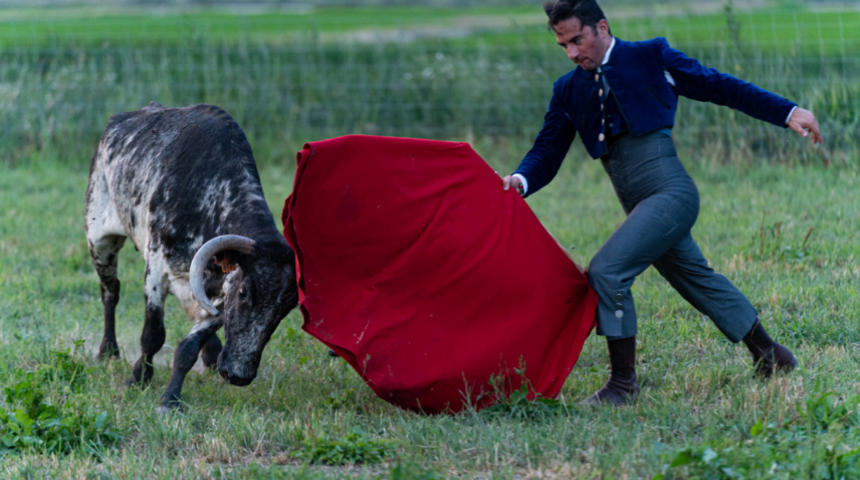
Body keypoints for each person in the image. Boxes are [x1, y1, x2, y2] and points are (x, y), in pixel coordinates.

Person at [501, 0, 823, 406]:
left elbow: (719, 85)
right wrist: (521, 179)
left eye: (577, 40)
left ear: (601, 27)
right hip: (638, 205)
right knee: (695, 278)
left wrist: (787, 111)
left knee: (607, 271)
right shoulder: (568, 89)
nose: (572, 52)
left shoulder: (650, 56)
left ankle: (622, 385)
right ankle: (771, 355)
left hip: (670, 194)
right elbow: (547, 151)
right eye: (563, 45)